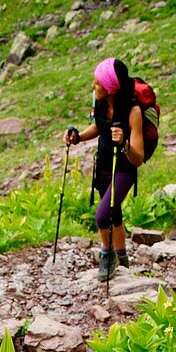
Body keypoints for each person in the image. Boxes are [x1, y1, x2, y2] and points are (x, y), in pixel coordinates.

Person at [64, 57, 145, 282]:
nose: (93, 86)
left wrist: (125, 144)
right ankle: (123, 258)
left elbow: (138, 157)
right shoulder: (101, 103)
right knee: (114, 212)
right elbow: (98, 127)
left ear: (110, 87)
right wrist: (78, 137)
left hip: (124, 169)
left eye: (97, 83)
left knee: (103, 214)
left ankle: (107, 256)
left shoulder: (133, 111)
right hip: (104, 166)